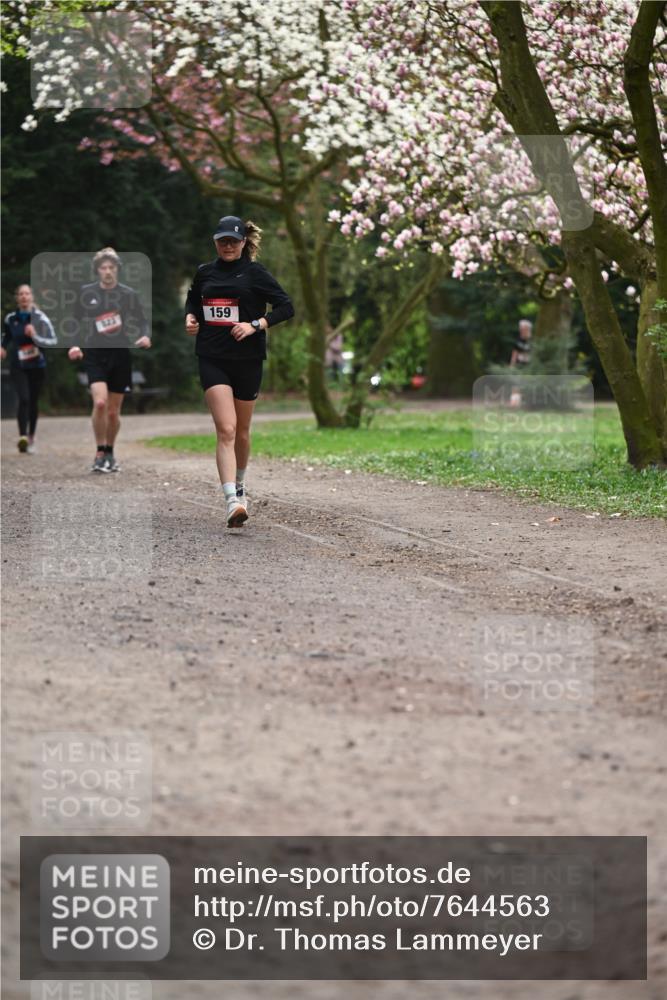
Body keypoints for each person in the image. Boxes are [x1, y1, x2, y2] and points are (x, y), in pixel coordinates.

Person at [185, 216, 294, 527]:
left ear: (244, 242)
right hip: (212, 357)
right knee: (227, 429)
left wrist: (255, 325)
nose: (228, 246)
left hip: (247, 360)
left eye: (233, 241)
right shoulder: (205, 272)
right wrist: (191, 318)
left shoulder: (255, 273)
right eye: (222, 241)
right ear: (216, 242)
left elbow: (286, 306)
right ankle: (232, 500)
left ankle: (241, 484)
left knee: (243, 432)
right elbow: (194, 300)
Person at [67, 248, 151, 472]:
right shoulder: (87, 293)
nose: (107, 271)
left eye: (111, 267)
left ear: (117, 270)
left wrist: (144, 336)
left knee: (113, 411)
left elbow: (142, 322)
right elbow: (75, 321)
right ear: (97, 270)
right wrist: (75, 344)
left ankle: (111, 453)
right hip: (94, 353)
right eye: (103, 268)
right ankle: (99, 451)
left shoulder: (127, 294)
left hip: (120, 355)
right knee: (100, 402)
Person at [1, 284, 57, 453]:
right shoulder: (11, 318)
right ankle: (22, 437)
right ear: (17, 298)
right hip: (18, 365)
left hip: (37, 366)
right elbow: (6, 336)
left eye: (27, 294)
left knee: (32, 401)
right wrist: (2, 347)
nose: (24, 297)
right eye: (21, 294)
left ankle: (32, 435)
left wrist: (36, 336)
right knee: (24, 399)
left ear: (32, 297)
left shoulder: (40, 318)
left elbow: (53, 341)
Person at [509, 319, 532, 407]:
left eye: (523, 329)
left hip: (529, 367)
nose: (521, 331)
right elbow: (514, 354)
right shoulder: (518, 341)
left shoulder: (533, 340)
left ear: (528, 329)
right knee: (516, 385)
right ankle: (514, 404)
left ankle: (527, 403)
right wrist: (512, 365)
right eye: (520, 329)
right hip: (519, 366)